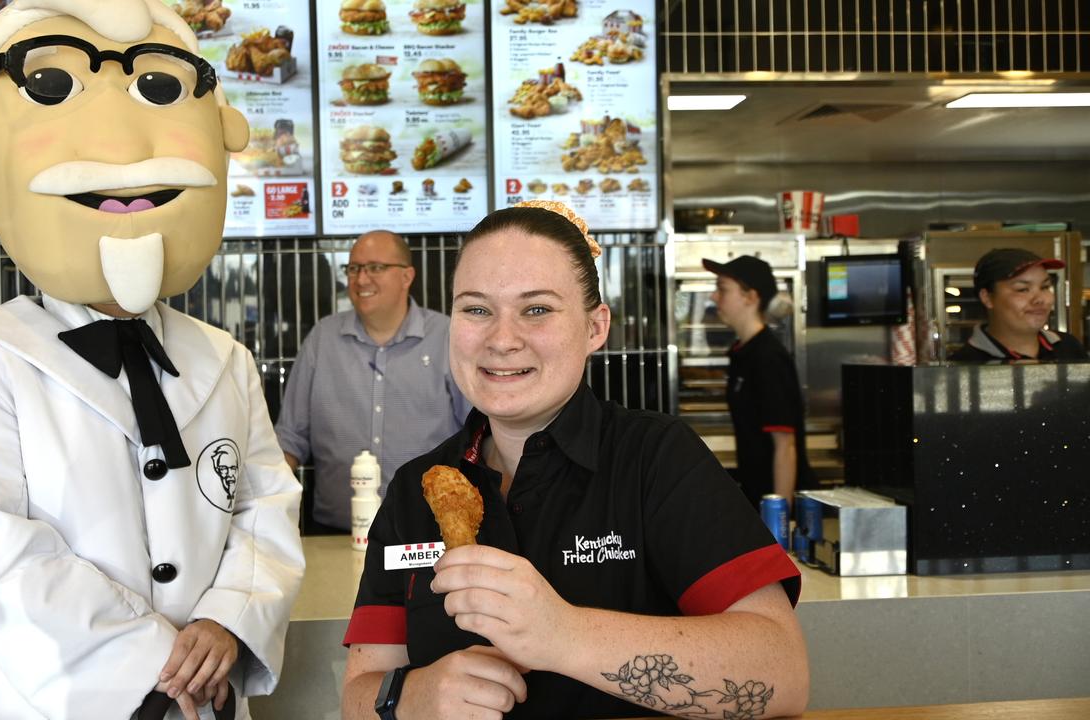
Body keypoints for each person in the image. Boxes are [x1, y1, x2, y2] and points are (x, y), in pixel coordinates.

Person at [0, 2, 304, 718]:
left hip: (208, 700)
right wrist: (154, 660)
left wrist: (230, 619)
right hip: (64, 701)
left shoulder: (221, 356)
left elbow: (265, 506)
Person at [340, 202, 808, 720]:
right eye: (476, 309)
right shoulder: (416, 490)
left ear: (595, 327)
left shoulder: (656, 459)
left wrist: (562, 634)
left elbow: (781, 671)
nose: (501, 339)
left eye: (536, 309)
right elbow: (359, 691)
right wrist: (411, 697)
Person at [275, 230, 470, 531]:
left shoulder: (447, 337)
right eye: (354, 268)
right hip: (334, 533)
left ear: (407, 276)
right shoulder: (322, 339)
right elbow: (289, 438)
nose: (362, 279)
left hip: (429, 534)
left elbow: (477, 436)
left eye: (376, 268)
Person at [704, 255, 814, 509]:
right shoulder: (744, 352)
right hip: (758, 498)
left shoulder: (768, 358)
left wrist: (780, 522)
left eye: (722, 289)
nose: (713, 297)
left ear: (750, 297)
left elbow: (785, 446)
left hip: (776, 504)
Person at [950, 248, 1087, 362]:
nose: (1039, 299)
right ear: (987, 298)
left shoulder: (1068, 347)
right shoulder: (965, 364)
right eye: (1022, 289)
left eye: (1045, 287)